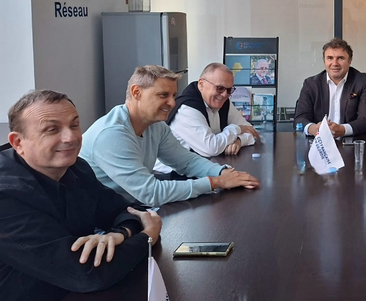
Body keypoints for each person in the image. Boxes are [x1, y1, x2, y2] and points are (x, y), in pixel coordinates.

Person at [0, 90, 162, 301]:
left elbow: (127, 210)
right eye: (52, 129)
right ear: (18, 143)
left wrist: (120, 234)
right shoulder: (6, 197)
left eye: (74, 125)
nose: (71, 138)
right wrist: (146, 237)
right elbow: (85, 273)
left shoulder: (77, 168)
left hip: (72, 299)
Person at [81, 65, 260, 207]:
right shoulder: (112, 134)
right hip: (98, 227)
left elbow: (186, 161)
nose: (173, 103)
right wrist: (215, 182)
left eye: (173, 95)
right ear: (136, 93)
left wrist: (224, 172)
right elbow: (151, 193)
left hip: (127, 208)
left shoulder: (156, 126)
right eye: (163, 95)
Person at [168, 63, 260, 158]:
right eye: (219, 88)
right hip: (174, 167)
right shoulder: (187, 109)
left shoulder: (223, 102)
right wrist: (236, 129)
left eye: (229, 90)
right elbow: (211, 148)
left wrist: (239, 141)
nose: (224, 94)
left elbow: (252, 131)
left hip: (202, 163)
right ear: (201, 85)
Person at [294, 38, 366, 138]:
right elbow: (300, 119)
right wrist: (313, 128)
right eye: (330, 58)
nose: (335, 63)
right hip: (319, 142)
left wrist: (343, 129)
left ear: (350, 61)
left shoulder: (363, 81)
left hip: (352, 141)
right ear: (324, 60)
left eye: (340, 58)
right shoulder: (311, 84)